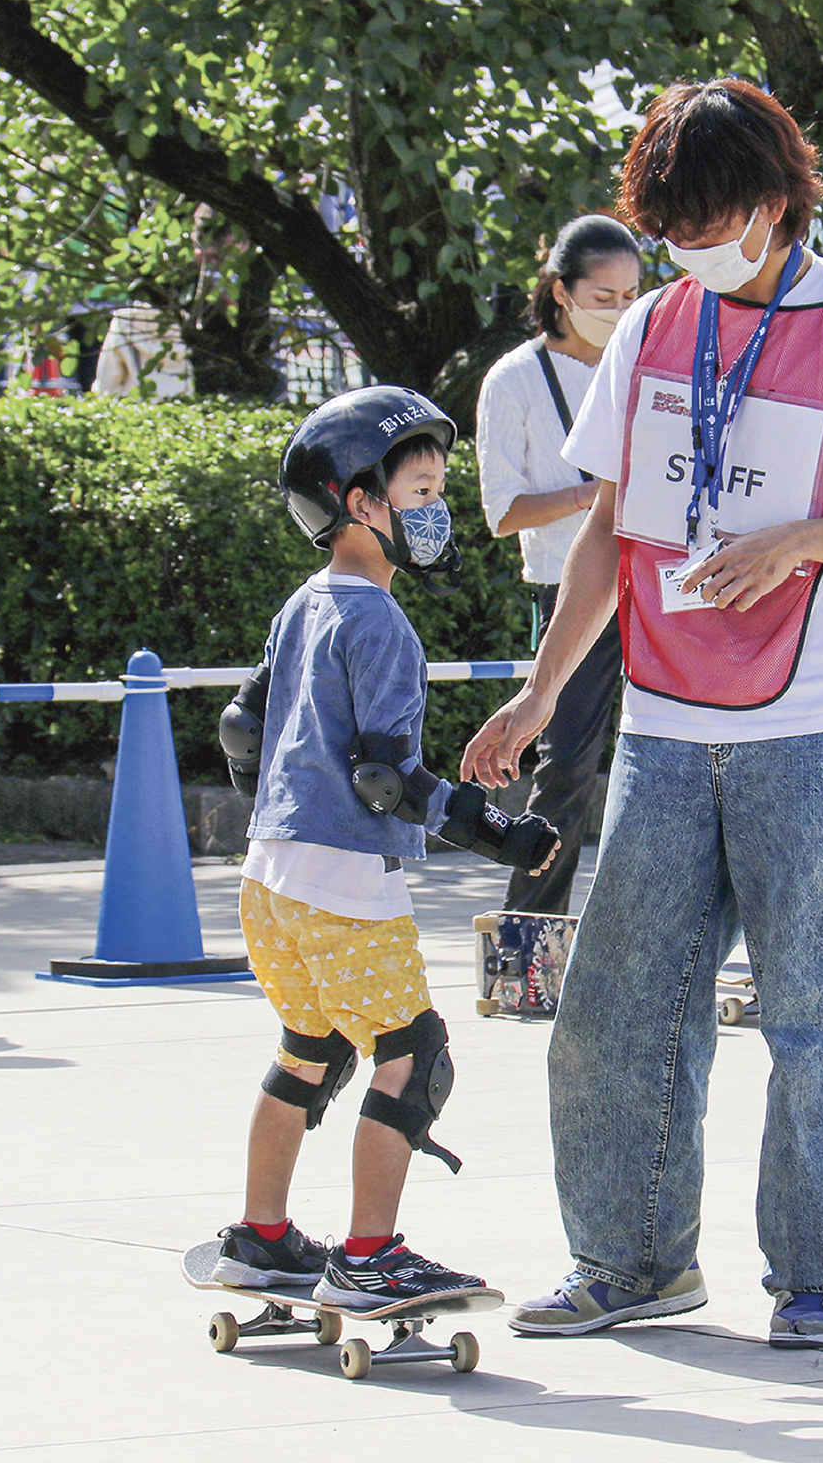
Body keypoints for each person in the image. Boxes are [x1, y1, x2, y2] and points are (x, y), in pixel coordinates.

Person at [461, 78, 823, 1349]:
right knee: (613, 1010)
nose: (684, 246)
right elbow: (606, 530)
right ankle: (631, 1261)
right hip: (664, 723)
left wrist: (802, 540)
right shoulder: (652, 328)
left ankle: (811, 1274)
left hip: (814, 722)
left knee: (814, 1015)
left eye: (704, 218)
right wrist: (539, 689)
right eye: (666, 224)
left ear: (772, 203)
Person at [209, 385, 559, 1307]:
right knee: (413, 1056)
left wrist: (296, 812)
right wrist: (499, 834)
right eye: (418, 490)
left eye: (439, 487)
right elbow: (386, 781)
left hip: (267, 876)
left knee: (310, 1049)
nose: (435, 509)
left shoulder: (306, 603)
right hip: (342, 881)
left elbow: (242, 731)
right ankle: (367, 1259)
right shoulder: (380, 621)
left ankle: (261, 1236)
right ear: (359, 504)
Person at [476, 215, 642, 914]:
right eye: (603, 297)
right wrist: (595, 491)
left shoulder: (642, 360)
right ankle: (530, 931)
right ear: (559, 292)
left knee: (681, 757)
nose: (620, 311)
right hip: (569, 583)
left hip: (657, 581)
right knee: (567, 766)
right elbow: (502, 511)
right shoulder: (513, 380)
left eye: (632, 295)